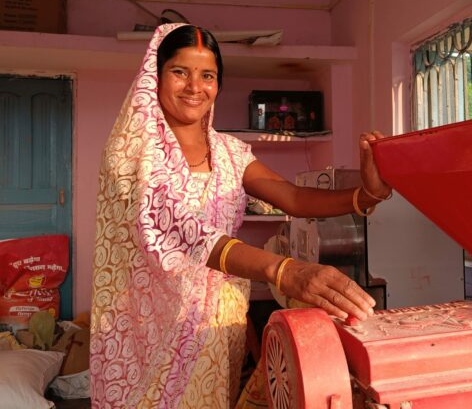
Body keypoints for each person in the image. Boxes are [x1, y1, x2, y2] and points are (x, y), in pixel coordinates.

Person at [91, 23, 392, 409]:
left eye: (208, 75)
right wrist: (285, 271)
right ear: (156, 76)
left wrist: (366, 195)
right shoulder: (131, 153)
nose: (194, 87)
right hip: (151, 333)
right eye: (180, 72)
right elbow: (186, 232)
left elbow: (293, 197)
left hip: (218, 326)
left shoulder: (230, 152)